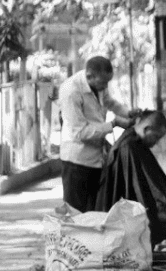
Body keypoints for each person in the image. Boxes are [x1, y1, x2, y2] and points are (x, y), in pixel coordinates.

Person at [93, 110, 166, 244]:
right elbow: (140, 192)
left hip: (147, 201)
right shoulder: (128, 148)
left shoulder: (135, 143)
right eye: (156, 137)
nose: (156, 143)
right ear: (146, 129)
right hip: (139, 208)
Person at [57, 56, 136, 212]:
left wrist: (128, 113)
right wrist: (113, 124)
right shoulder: (71, 91)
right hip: (77, 161)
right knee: (77, 213)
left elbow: (110, 102)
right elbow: (79, 133)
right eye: (102, 83)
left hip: (96, 159)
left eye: (107, 83)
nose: (105, 87)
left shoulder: (98, 85)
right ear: (89, 76)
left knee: (94, 212)